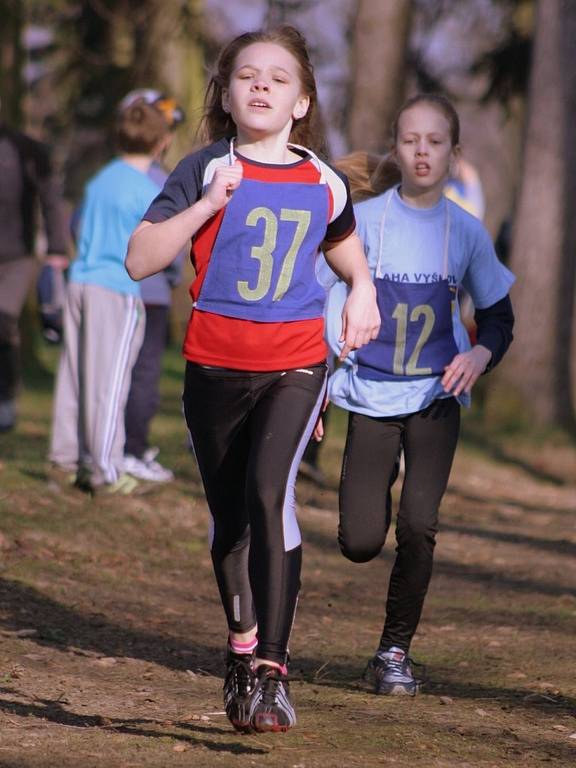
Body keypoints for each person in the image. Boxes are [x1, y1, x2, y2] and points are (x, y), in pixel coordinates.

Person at [126, 25, 380, 733]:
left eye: (278, 77)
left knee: (271, 496)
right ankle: (239, 654)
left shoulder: (323, 180)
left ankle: (272, 671)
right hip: (212, 368)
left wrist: (363, 291)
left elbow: (350, 256)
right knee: (231, 522)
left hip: (295, 365)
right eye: (247, 76)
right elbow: (141, 260)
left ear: (301, 102)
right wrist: (208, 205)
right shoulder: (202, 168)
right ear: (228, 94)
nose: (261, 85)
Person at [322, 94, 515, 697]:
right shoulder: (363, 221)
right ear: (395, 148)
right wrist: (321, 383)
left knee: (420, 525)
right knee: (359, 541)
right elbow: (330, 305)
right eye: (411, 141)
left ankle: (393, 651)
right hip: (371, 394)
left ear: (455, 156)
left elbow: (500, 317)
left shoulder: (467, 232)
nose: (422, 152)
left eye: (435, 142)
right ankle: (367, 504)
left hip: (436, 400)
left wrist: (480, 354)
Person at [49, 99, 171, 493]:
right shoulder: (150, 187)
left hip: (79, 281)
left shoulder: (102, 179)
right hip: (116, 288)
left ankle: (65, 459)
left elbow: (77, 222)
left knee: (75, 374)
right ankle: (105, 470)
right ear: (161, 143)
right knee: (111, 382)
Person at [119, 90, 186, 483]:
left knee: (110, 370)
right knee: (144, 373)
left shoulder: (109, 176)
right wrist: (173, 274)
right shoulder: (163, 182)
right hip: (152, 295)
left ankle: (103, 445)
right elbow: (172, 242)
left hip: (109, 292)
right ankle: (133, 450)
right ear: (161, 138)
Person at [0, 99, 68, 432]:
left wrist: (57, 247)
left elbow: (50, 198)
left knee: (3, 322)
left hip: (16, 257)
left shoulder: (25, 149)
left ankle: (6, 399)